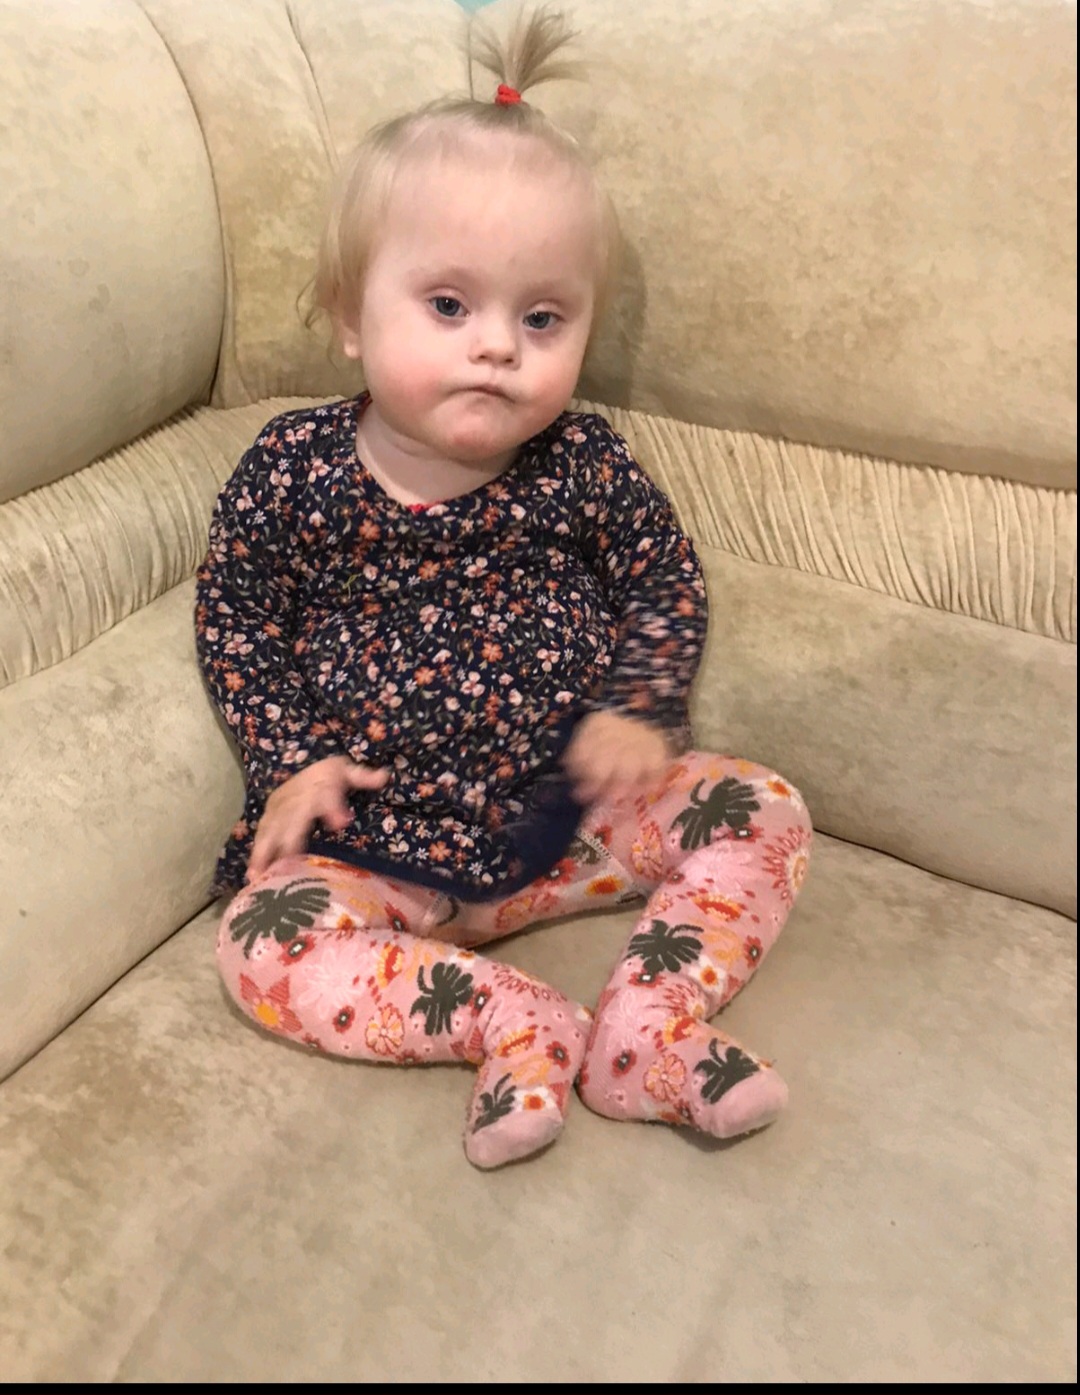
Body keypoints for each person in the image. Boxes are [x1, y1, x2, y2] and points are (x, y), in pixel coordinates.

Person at [195, 5, 812, 1169]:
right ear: (348, 317)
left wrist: (640, 705)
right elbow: (237, 619)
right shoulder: (292, 469)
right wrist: (293, 760)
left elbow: (663, 579)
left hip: (568, 814)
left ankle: (646, 1036)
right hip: (376, 836)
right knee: (261, 941)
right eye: (448, 306)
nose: (497, 346)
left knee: (761, 806)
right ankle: (514, 1022)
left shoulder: (583, 462)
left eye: (541, 318)